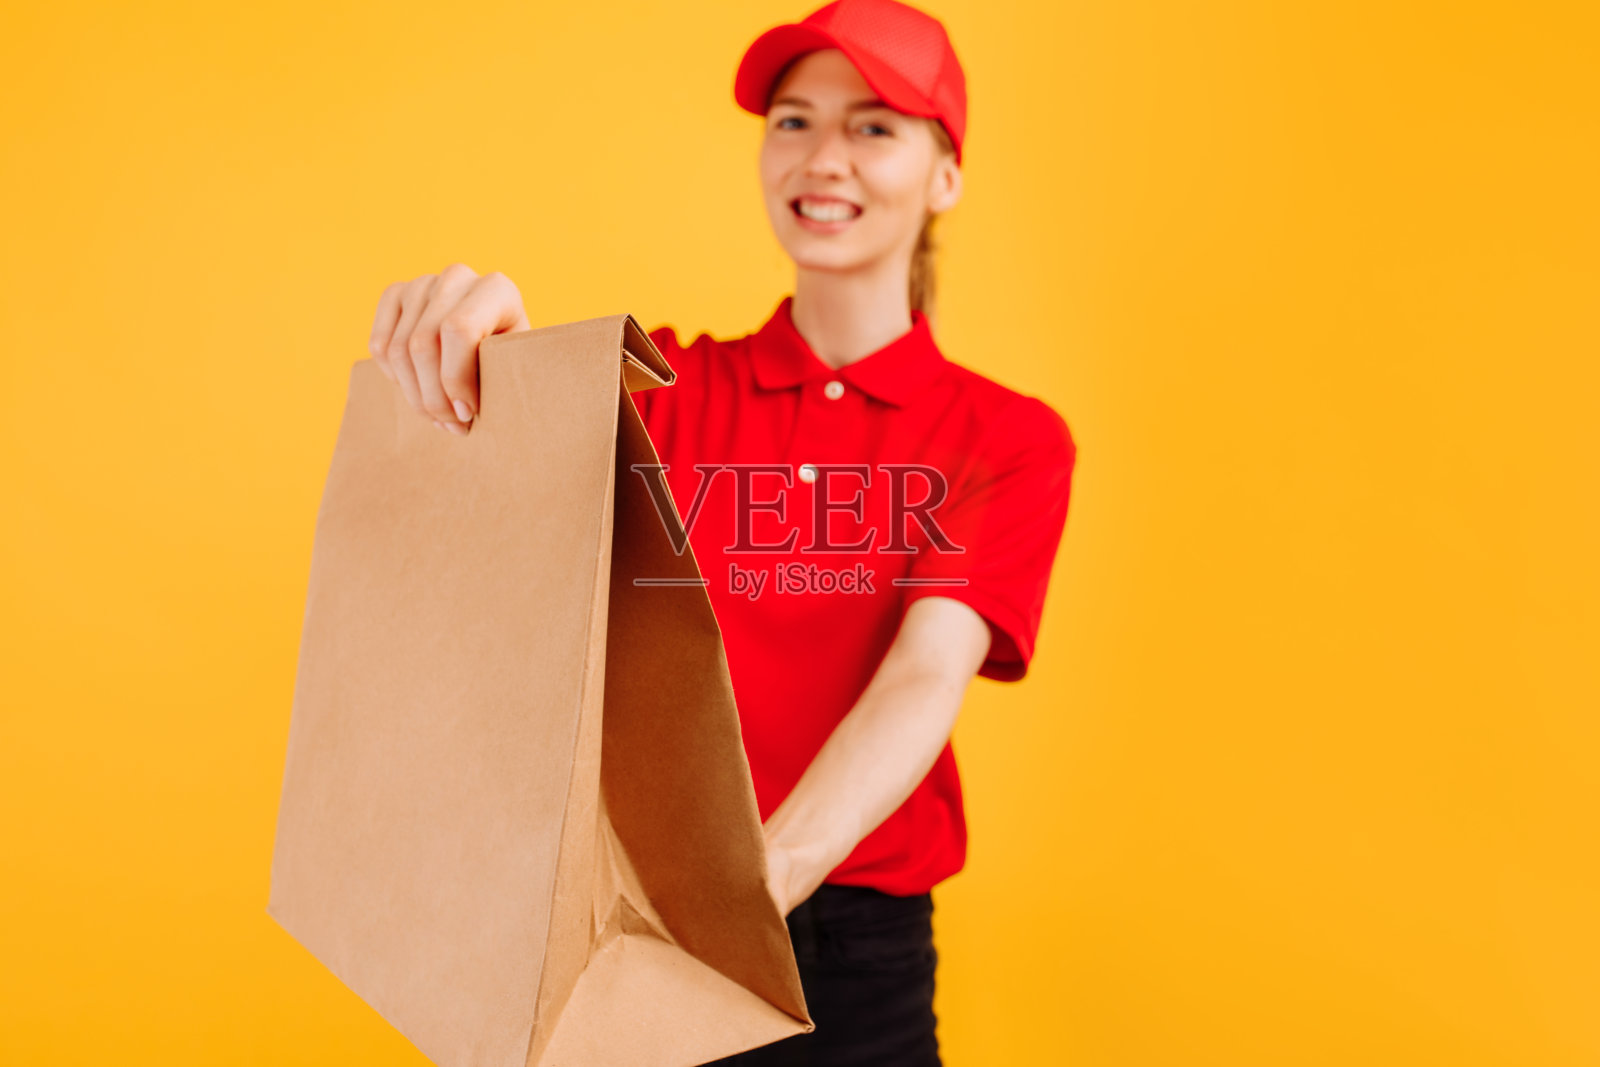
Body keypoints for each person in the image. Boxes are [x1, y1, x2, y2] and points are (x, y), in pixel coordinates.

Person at [365, 1, 1076, 1063]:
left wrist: (757, 884)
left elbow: (926, 672)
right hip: (637, 924)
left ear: (945, 175)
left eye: (874, 124)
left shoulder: (1003, 437)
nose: (822, 155)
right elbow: (491, 505)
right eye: (792, 121)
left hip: (851, 948)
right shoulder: (668, 392)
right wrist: (480, 349)